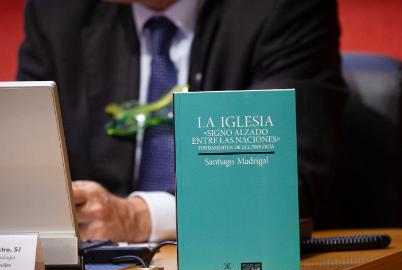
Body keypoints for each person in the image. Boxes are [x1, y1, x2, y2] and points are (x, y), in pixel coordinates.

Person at [17, 0, 347, 242]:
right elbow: (23, 165)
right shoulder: (57, 13)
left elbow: (280, 180)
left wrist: (138, 219)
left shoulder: (284, 9)